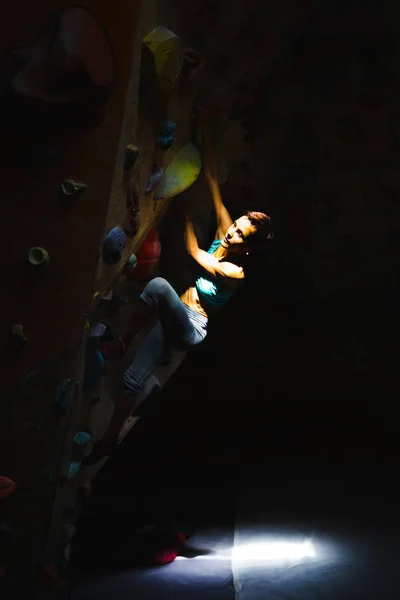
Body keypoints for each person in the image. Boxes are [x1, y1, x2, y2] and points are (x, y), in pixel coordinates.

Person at [83, 109, 274, 465]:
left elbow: (194, 252)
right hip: (176, 313)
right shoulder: (228, 229)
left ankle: (121, 340)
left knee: (156, 285)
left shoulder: (236, 271)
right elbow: (215, 183)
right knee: (129, 381)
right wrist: (206, 133)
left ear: (248, 247)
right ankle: (110, 439)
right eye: (238, 224)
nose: (232, 231)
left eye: (240, 233)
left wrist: (181, 209)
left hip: (190, 326)